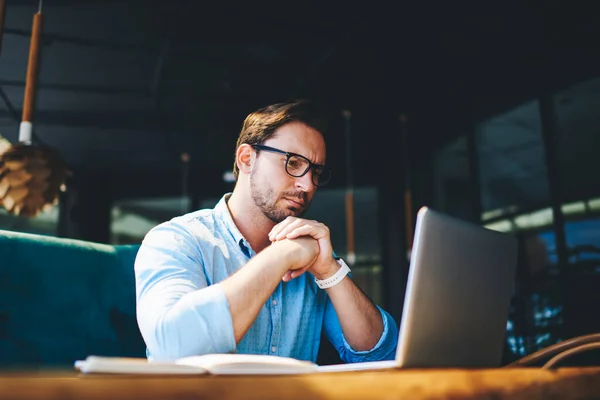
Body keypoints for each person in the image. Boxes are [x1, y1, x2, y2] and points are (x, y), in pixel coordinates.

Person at [135, 99, 398, 363]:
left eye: (316, 172)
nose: (307, 185)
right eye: (293, 163)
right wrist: (280, 256)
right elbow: (172, 347)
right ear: (247, 158)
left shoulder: (312, 259)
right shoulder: (177, 240)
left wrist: (330, 271)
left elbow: (382, 356)